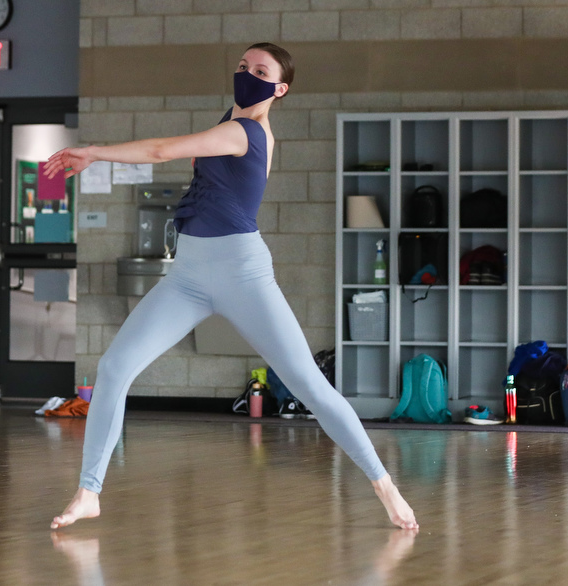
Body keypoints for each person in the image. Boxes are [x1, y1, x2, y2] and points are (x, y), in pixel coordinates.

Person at [44, 43, 417, 531]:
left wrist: (92, 152)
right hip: (188, 277)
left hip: (242, 273)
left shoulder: (244, 132)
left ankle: (384, 486)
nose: (247, 74)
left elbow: (160, 151)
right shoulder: (235, 119)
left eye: (261, 71)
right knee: (114, 368)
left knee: (310, 385)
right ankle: (89, 491)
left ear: (279, 89)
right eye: (243, 66)